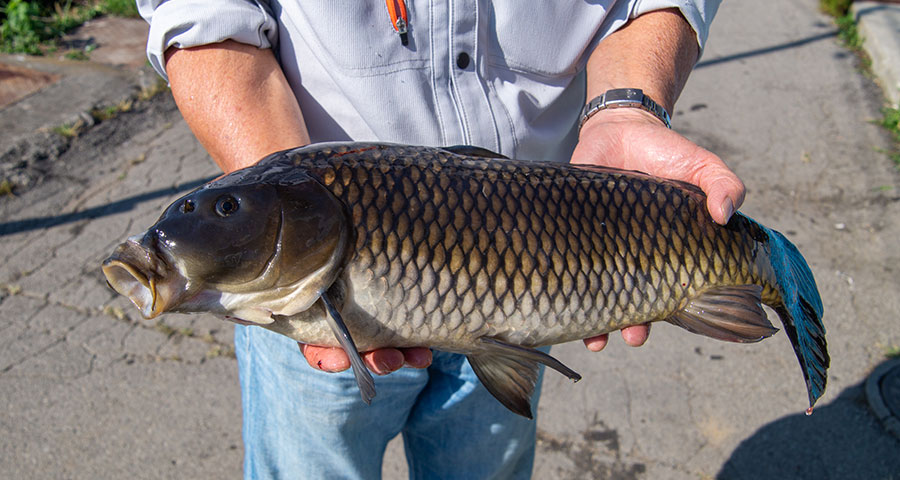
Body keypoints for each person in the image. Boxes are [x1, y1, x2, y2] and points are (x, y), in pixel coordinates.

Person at [138, 1, 742, 478]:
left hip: (554, 247)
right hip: (311, 267)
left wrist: (625, 109)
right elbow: (202, 15)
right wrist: (269, 180)